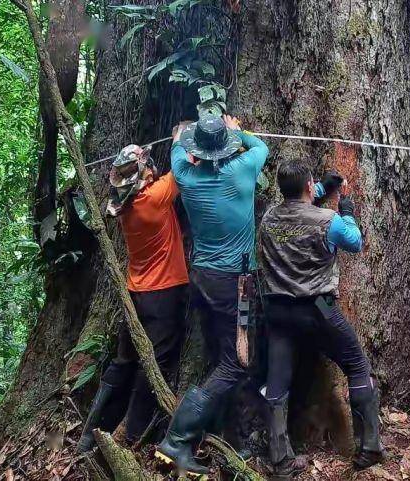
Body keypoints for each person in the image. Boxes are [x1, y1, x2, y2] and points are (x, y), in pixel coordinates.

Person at [155, 114, 269, 476]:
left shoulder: (184, 176)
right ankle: (176, 440)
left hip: (202, 277)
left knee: (221, 352)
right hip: (234, 282)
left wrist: (181, 135)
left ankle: (225, 432)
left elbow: (176, 145)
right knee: (237, 361)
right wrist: (237, 130)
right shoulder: (242, 171)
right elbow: (260, 146)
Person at [257, 160, 385, 480]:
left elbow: (297, 208)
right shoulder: (329, 221)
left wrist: (321, 189)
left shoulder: (268, 218)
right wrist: (347, 210)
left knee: (277, 383)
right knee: (356, 365)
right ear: (307, 185)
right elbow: (354, 242)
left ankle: (280, 460)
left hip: (278, 311)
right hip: (318, 309)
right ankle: (369, 445)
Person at [77, 145, 189, 452]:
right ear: (144, 176)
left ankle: (91, 433)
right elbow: (183, 167)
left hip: (136, 293)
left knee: (124, 360)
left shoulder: (123, 206)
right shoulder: (152, 199)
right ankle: (132, 432)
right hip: (161, 294)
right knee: (155, 362)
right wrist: (180, 139)